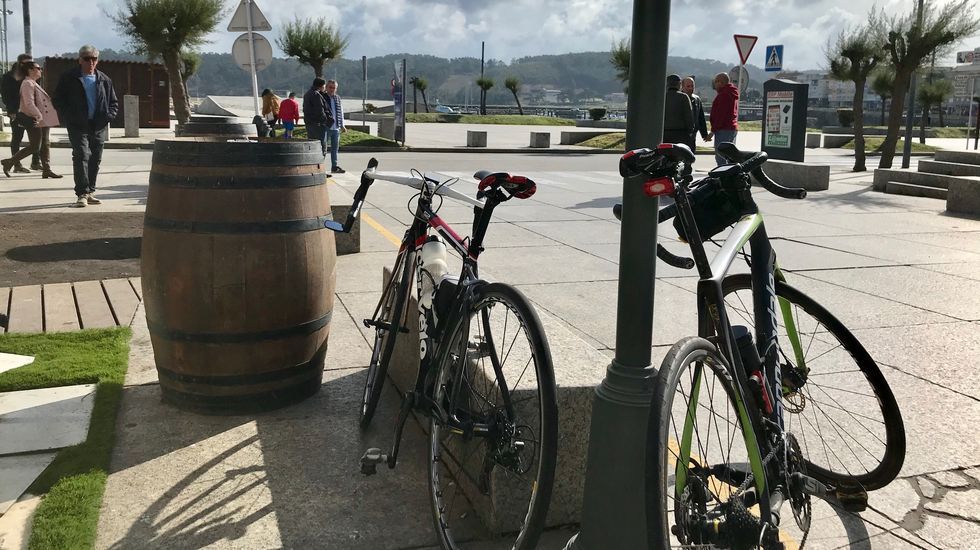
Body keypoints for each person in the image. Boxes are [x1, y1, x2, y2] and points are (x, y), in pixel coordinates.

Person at [52, 45, 118, 207]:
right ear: (80, 60)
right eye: (87, 59)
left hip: (98, 125)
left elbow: (113, 103)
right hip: (77, 125)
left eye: (94, 59)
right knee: (81, 155)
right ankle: (81, 193)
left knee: (95, 158)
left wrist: (108, 116)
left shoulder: (104, 79)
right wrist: (69, 116)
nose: (91, 62)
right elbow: (57, 100)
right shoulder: (69, 77)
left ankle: (90, 192)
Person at [1, 61, 61, 179]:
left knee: (45, 144)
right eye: (38, 68)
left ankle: (47, 169)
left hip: (42, 119)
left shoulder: (33, 83)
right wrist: (38, 115)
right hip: (35, 118)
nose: (40, 70)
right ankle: (9, 162)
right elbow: (28, 103)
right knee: (35, 146)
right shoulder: (27, 83)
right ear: (30, 70)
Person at [1, 53, 41, 172]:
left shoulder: (30, 76)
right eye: (27, 63)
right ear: (20, 63)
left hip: (30, 111)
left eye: (31, 64)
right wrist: (12, 111)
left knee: (36, 139)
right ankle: (16, 165)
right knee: (17, 137)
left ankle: (35, 162)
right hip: (17, 112)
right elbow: (6, 95)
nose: (30, 66)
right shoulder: (9, 76)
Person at [303, 77, 333, 177]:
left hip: (310, 124)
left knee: (312, 148)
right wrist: (325, 121)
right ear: (322, 86)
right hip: (318, 125)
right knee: (321, 149)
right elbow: (319, 111)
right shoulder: (316, 95)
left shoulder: (307, 94)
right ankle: (319, 171)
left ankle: (312, 170)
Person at [708, 72, 739, 165]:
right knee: (729, 156)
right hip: (731, 129)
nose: (715, 84)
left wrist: (712, 131)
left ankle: (724, 177)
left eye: (716, 81)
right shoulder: (731, 93)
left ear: (721, 82)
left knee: (721, 157)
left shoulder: (724, 95)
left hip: (723, 130)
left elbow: (720, 115)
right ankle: (731, 177)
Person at [321, 79, 347, 174]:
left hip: (336, 127)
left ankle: (334, 167)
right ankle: (320, 168)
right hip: (326, 127)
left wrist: (342, 125)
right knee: (323, 148)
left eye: (334, 88)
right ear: (326, 87)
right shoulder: (322, 97)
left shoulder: (337, 98)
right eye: (330, 87)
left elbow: (341, 112)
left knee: (335, 148)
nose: (332, 89)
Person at [662, 74, 693, 149]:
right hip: (680, 134)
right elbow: (689, 117)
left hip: (664, 133)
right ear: (679, 85)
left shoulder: (662, 97)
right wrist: (690, 131)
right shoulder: (683, 97)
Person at [682, 76, 709, 152]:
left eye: (692, 86)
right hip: (680, 134)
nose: (690, 88)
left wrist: (704, 134)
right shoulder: (678, 98)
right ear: (682, 87)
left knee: (690, 157)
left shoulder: (697, 99)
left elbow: (701, 118)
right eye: (688, 86)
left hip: (692, 135)